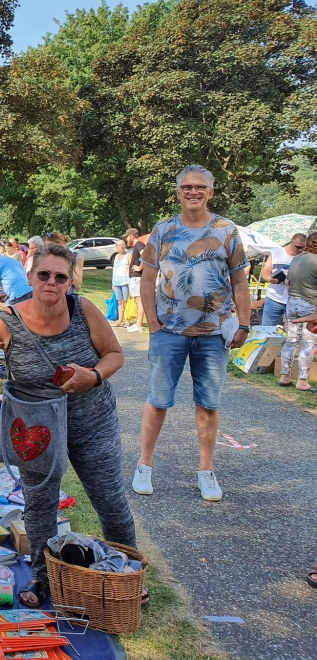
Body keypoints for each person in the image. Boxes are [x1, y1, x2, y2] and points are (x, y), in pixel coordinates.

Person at [0, 244, 137, 608]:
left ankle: (125, 573)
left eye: (60, 276)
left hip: (92, 421)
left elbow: (115, 355)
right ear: (30, 277)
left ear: (70, 281)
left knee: (110, 501)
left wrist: (92, 375)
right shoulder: (6, 321)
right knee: (40, 505)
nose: (51, 282)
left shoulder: (84, 311)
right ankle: (43, 576)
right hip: (36, 428)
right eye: (43, 275)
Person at [133, 165, 249, 503]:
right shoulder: (163, 230)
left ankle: (206, 469)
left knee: (208, 404)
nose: (193, 192)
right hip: (168, 331)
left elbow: (240, 281)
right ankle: (144, 464)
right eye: (187, 187)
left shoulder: (227, 231)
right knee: (157, 401)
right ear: (178, 191)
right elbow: (146, 279)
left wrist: (243, 323)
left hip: (214, 333)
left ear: (211, 192)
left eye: (200, 187)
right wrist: (152, 324)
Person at [276, 232, 317, 390]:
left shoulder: (297, 259)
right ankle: (302, 381)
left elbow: (287, 281)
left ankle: (285, 376)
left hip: (292, 302)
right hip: (310, 304)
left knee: (291, 341)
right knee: (309, 342)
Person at [261, 233, 306, 327]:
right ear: (291, 242)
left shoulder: (305, 257)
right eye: (298, 247)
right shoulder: (276, 253)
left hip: (295, 300)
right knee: (268, 330)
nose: (300, 250)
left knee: (294, 332)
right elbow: (265, 272)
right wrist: (270, 279)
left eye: (303, 247)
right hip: (274, 298)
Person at [121, 228, 146, 332]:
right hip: (135, 277)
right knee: (137, 300)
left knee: (139, 300)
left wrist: (140, 267)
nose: (126, 239)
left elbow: (144, 254)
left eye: (127, 237)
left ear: (132, 236)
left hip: (137, 277)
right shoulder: (136, 246)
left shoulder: (139, 244)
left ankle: (139, 324)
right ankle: (137, 323)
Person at [110, 240, 131, 327]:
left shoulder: (128, 255)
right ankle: (120, 320)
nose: (121, 247)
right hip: (117, 282)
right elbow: (114, 270)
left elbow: (130, 268)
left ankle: (127, 320)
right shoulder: (116, 257)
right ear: (116, 247)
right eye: (119, 245)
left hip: (126, 282)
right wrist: (113, 283)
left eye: (122, 245)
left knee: (126, 301)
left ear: (125, 246)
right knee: (120, 302)